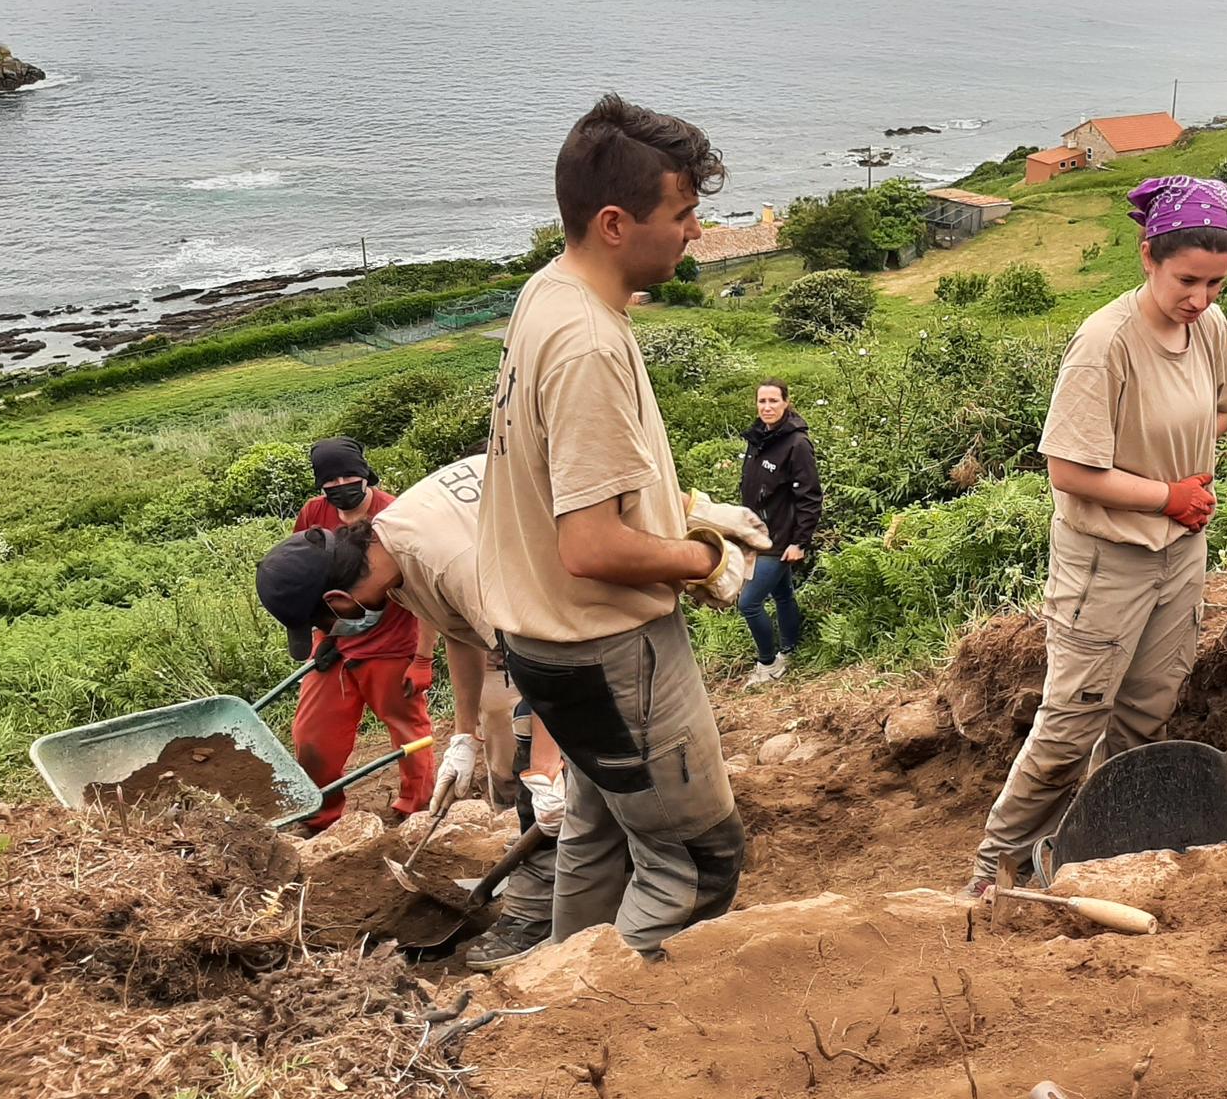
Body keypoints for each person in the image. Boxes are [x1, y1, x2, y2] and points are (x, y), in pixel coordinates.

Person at [476, 93, 771, 958]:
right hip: (610, 652)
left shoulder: (548, 295)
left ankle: (557, 1010)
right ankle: (605, 1012)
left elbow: (566, 490)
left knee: (602, 840)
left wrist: (672, 509)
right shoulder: (588, 346)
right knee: (695, 862)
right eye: (682, 215)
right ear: (615, 222)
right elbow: (592, 546)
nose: (695, 234)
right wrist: (701, 555)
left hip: (546, 645)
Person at [965, 176, 1227, 900]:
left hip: (1180, 549)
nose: (1202, 298)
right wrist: (1167, 492)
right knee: (1071, 721)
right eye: (1188, 280)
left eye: (1217, 284)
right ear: (1147, 257)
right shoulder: (1105, 344)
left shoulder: (1206, 328)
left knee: (1145, 707)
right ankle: (994, 864)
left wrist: (1190, 463)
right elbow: (1068, 468)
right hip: (1106, 558)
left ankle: (1098, 844)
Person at [254, 452, 565, 970]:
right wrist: (464, 736)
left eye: (324, 620)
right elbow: (460, 633)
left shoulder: (443, 560)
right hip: (542, 616)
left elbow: (550, 660)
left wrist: (546, 766)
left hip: (582, 608)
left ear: (337, 598)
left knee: (545, 760)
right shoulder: (393, 559)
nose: (328, 633)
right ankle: (561, 873)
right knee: (536, 758)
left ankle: (544, 910)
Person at [285, 436, 437, 828]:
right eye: (329, 484)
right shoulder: (314, 514)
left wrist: (422, 659)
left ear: (365, 474)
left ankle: (415, 813)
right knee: (312, 734)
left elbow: (429, 592)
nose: (340, 488)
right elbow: (300, 576)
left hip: (391, 645)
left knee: (408, 731)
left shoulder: (397, 514)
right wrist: (322, 636)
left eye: (348, 478)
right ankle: (321, 816)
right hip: (334, 643)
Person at [736, 379, 822, 687]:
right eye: (762, 401)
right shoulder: (758, 438)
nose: (767, 407)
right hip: (756, 534)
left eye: (773, 401)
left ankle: (768, 663)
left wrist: (800, 542)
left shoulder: (797, 444)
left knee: (748, 604)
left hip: (780, 539)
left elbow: (809, 496)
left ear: (786, 402)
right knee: (783, 594)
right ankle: (790, 649)